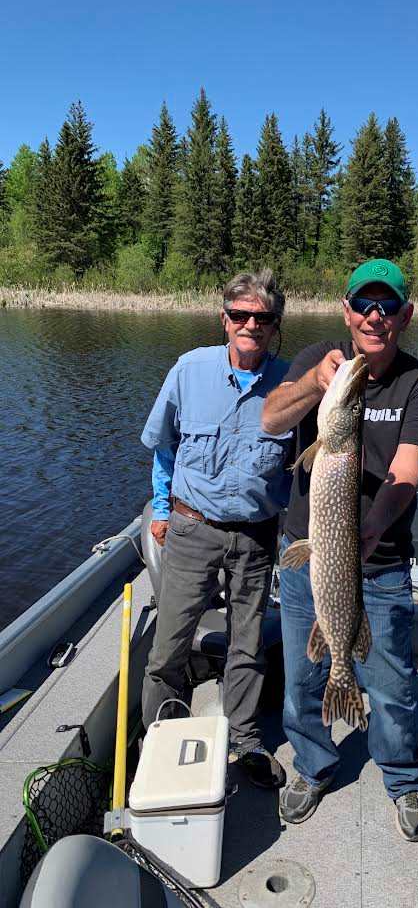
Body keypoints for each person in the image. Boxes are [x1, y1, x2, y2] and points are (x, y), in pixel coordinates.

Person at [261, 258, 418, 841]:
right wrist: (318, 383)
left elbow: (408, 472)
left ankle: (403, 777)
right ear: (346, 311)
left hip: (382, 560)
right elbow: (270, 419)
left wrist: (374, 524)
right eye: (364, 305)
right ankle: (313, 766)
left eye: (387, 306)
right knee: (299, 677)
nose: (374, 316)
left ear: (404, 316)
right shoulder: (320, 364)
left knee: (391, 687)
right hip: (306, 555)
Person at [140, 269, 291, 789]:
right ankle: (162, 734)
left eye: (262, 318)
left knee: (247, 645)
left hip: (256, 537)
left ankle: (246, 738)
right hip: (191, 527)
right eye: (240, 315)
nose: (250, 325)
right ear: (223, 319)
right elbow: (165, 447)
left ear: (275, 326)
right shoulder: (189, 370)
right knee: (168, 645)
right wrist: (161, 510)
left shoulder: (293, 384)